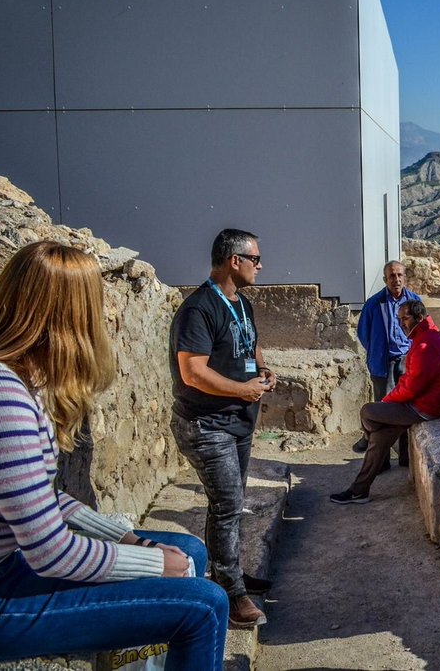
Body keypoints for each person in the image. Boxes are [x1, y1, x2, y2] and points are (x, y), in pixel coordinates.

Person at [0, 241, 229, 668]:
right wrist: (152, 564)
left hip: (1, 570)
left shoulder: (13, 378)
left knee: (188, 552)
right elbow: (50, 551)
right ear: (72, 316)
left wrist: (126, 538)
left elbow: (41, 499)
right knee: (204, 606)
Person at [169, 228, 275, 628]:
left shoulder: (242, 304)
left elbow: (251, 343)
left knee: (232, 503)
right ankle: (230, 593)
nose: (260, 266)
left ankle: (230, 573)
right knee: (228, 504)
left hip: (237, 423)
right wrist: (244, 389)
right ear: (235, 261)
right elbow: (193, 372)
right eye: (255, 259)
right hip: (208, 425)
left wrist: (263, 369)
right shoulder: (198, 309)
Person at [330, 299, 440, 504]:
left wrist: (386, 401)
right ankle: (359, 491)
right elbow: (408, 379)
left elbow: (412, 388)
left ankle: (367, 439)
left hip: (421, 408)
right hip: (418, 404)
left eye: (406, 318)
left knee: (368, 411)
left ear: (419, 317)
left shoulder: (425, 344)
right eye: (400, 319)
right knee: (378, 439)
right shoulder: (424, 337)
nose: (402, 323)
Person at [354, 260, 422, 452]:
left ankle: (404, 456)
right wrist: (377, 350)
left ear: (405, 277)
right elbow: (363, 334)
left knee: (406, 409)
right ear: (385, 280)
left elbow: (423, 330)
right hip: (382, 364)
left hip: (407, 361)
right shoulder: (374, 304)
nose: (396, 279)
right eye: (392, 276)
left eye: (400, 275)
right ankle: (380, 456)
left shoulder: (414, 302)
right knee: (382, 410)